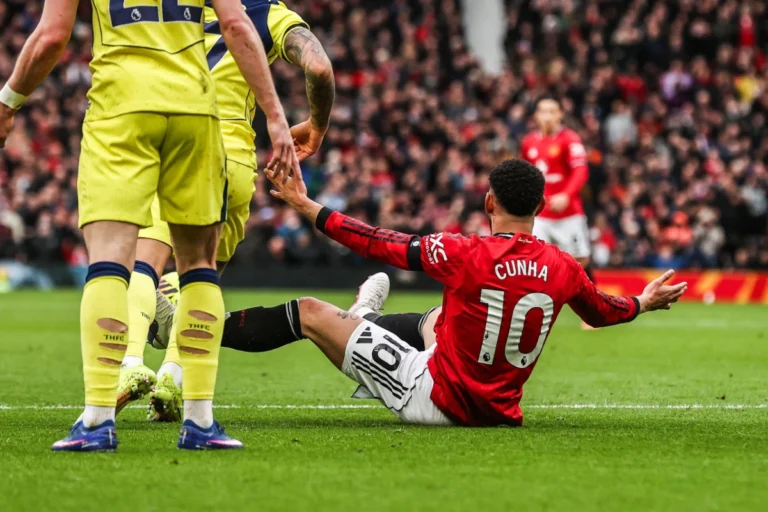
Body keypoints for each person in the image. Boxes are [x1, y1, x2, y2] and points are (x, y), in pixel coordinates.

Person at [0, 0, 298, 452]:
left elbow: (52, 35)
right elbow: (236, 24)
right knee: (200, 265)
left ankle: (98, 419)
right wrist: (276, 119)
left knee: (110, 263)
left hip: (122, 108)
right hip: (196, 111)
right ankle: (200, 421)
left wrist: (9, 101)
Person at [204, 159, 687, 426]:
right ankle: (365, 324)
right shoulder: (563, 266)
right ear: (541, 206)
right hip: (500, 407)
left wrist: (308, 206)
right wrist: (644, 301)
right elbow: (603, 311)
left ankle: (198, 329)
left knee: (309, 312)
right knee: (440, 318)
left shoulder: (464, 252)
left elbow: (376, 240)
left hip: (435, 398)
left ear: (488, 201)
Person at [115, 0, 335, 423]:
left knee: (143, 262)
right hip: (233, 157)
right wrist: (317, 124)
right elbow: (320, 67)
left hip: (175, 141)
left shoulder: (176, 7)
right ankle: (173, 378)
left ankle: (129, 363)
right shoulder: (267, 12)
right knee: (205, 275)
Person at [521, 95, 596, 329]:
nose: (547, 116)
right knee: (532, 259)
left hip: (568, 214)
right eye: (543, 111)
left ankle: (592, 312)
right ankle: (529, 313)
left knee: (580, 260)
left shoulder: (570, 139)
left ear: (560, 115)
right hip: (541, 214)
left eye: (552, 111)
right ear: (536, 116)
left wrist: (567, 194)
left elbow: (581, 171)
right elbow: (526, 175)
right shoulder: (528, 142)